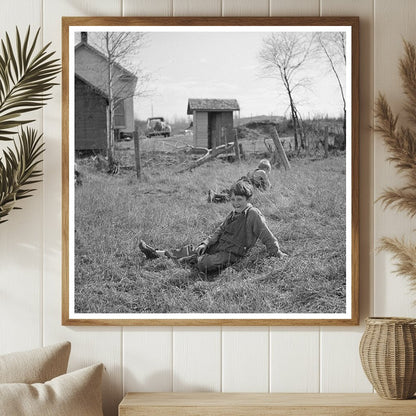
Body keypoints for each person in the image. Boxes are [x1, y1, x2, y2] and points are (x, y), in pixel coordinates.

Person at [139, 180, 287, 274]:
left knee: (205, 263)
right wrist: (206, 243)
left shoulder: (253, 214)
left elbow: (266, 235)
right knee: (194, 249)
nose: (236, 203)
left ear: (248, 199)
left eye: (240, 200)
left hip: (232, 253)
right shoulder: (232, 213)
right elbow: (220, 230)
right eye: (233, 199)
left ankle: (189, 260)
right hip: (218, 245)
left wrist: (277, 252)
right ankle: (157, 253)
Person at [207, 159, 272, 203]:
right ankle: (215, 195)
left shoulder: (252, 171)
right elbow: (268, 184)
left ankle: (215, 198)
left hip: (242, 182)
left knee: (234, 196)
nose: (268, 173)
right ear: (266, 168)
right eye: (269, 171)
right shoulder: (262, 172)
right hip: (247, 186)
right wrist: (268, 192)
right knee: (237, 199)